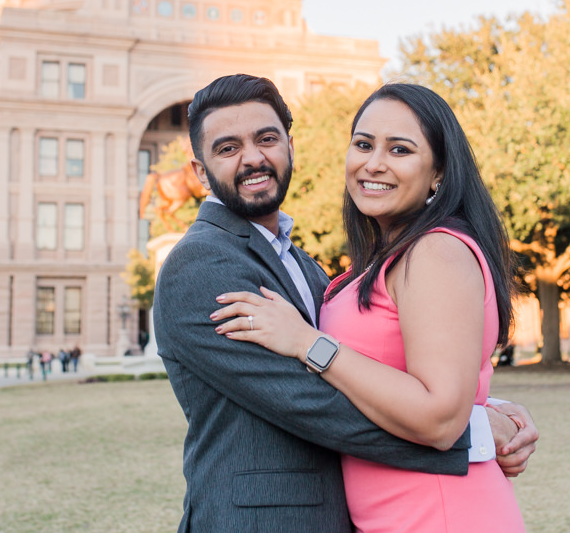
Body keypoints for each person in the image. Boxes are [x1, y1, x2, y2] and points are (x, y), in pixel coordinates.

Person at [153, 75, 536, 533]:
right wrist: (471, 430)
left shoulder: (316, 266)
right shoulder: (199, 264)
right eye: (228, 147)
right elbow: (310, 401)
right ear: (199, 171)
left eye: (267, 138)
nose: (253, 157)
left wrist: (470, 402)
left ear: (291, 147)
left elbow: (384, 372)